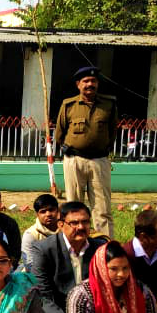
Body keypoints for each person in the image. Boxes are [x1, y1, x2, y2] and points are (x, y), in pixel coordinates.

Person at [30, 200, 109, 313]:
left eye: (85, 222)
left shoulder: (100, 248)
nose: (81, 227)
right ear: (61, 224)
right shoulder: (44, 249)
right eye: (74, 223)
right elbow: (42, 294)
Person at [54, 65, 117, 237]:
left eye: (93, 81)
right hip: (75, 160)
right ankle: (73, 241)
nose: (90, 84)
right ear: (78, 84)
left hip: (99, 161)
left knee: (102, 208)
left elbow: (112, 133)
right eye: (86, 81)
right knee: (73, 206)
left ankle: (104, 246)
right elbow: (59, 133)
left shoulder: (108, 105)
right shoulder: (69, 105)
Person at [20, 193, 60, 274]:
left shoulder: (67, 229)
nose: (48, 214)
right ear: (37, 214)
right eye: (43, 211)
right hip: (39, 276)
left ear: (58, 211)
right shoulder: (30, 235)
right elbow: (29, 265)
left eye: (51, 210)